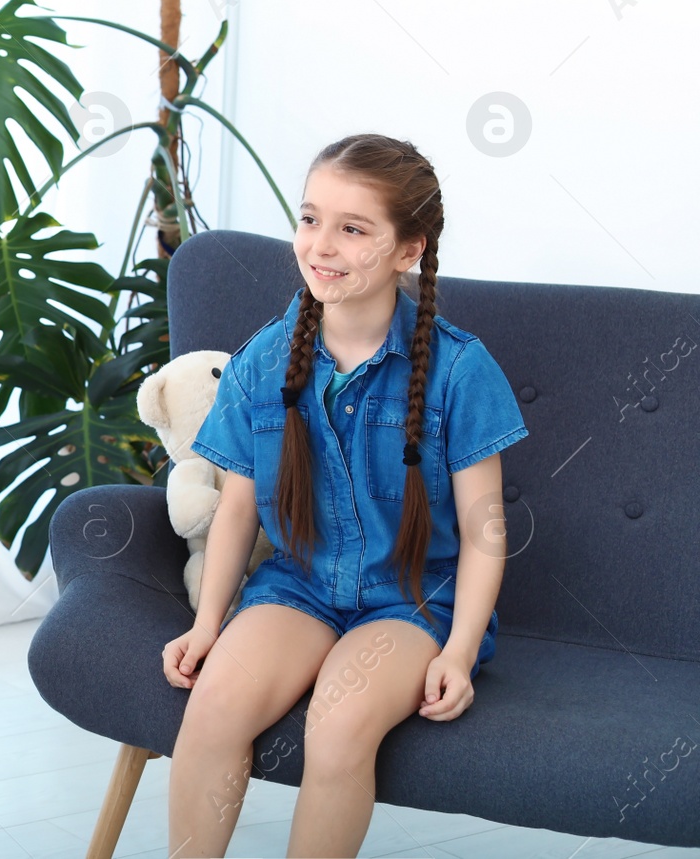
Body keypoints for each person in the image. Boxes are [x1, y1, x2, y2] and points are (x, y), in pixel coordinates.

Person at [159, 133, 528, 858]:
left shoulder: (460, 369)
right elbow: (237, 507)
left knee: (338, 724)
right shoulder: (264, 359)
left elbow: (486, 532)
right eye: (309, 219)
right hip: (298, 587)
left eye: (353, 228)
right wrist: (209, 624)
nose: (321, 245)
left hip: (415, 600)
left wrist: (457, 652)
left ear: (408, 248)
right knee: (213, 711)